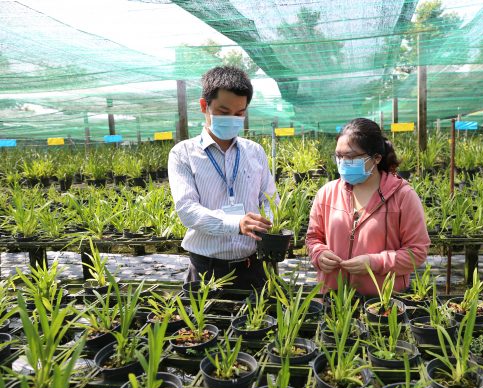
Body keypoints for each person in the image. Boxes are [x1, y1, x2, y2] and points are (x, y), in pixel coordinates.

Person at [168, 66, 276, 289]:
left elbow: (269, 199)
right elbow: (187, 209)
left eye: (239, 113)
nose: (232, 119)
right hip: (206, 270)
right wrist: (235, 223)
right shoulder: (183, 153)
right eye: (223, 111)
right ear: (204, 106)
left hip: (253, 266)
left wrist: (270, 223)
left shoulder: (255, 152)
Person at [306, 118, 430, 295]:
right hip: (333, 296)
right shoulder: (327, 193)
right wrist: (319, 254)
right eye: (339, 156)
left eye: (350, 157)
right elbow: (313, 238)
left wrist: (375, 263)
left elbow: (417, 251)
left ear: (376, 158)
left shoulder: (403, 196)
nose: (343, 162)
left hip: (383, 299)